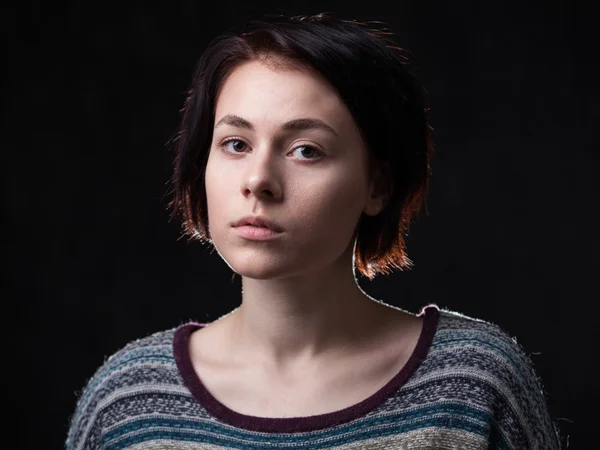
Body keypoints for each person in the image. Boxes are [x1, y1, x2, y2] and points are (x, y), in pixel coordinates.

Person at [66, 12, 561, 449]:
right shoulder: (130, 401)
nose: (258, 180)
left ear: (377, 186)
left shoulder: (474, 384)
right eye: (235, 144)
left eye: (306, 150)